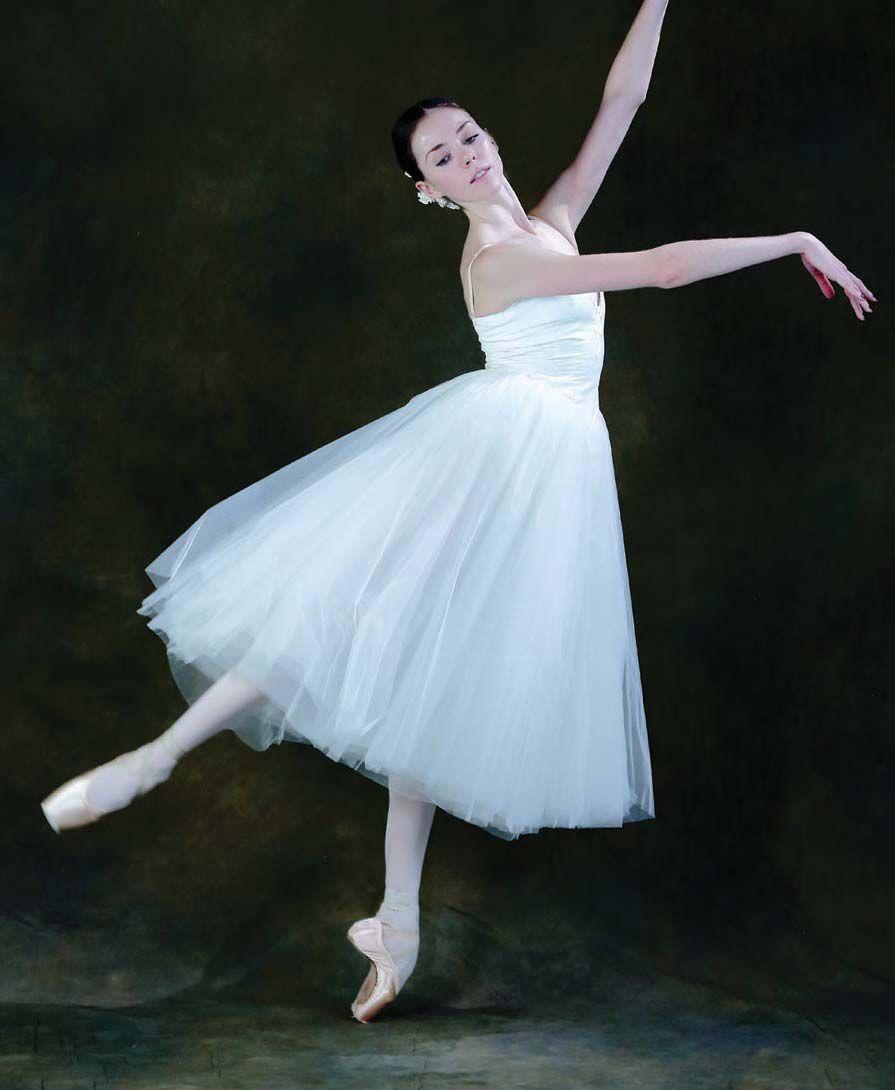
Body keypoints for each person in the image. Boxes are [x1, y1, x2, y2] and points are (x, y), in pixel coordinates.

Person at [39, 83, 875, 1024]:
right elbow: (664, 268)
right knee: (343, 615)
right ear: (427, 189)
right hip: (495, 458)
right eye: (442, 157)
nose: (466, 155)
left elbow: (624, 101)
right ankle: (155, 759)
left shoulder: (550, 222)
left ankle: (396, 925)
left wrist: (660, 12)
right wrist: (797, 240)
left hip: (546, 471)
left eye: (469, 136)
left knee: (432, 692)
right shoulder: (501, 259)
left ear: (489, 136)